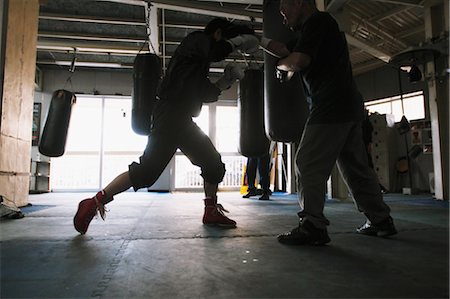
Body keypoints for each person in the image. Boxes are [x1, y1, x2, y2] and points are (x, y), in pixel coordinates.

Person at [73, 18, 260, 234]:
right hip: (170, 115)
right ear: (217, 34)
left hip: (182, 120)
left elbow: (204, 93)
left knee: (213, 164)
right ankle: (94, 201)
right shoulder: (196, 41)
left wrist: (226, 81)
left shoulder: (197, 63)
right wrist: (240, 40)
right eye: (225, 38)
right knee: (146, 173)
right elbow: (215, 51)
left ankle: (210, 210)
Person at [259, 0, 397, 245]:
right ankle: (380, 220)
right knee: (355, 168)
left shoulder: (318, 21)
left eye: (285, 11)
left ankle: (312, 225)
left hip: (331, 105)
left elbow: (297, 60)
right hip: (348, 105)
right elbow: (284, 49)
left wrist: (281, 67)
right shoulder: (312, 31)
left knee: (307, 161)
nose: (282, 18)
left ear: (300, 3)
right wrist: (257, 41)